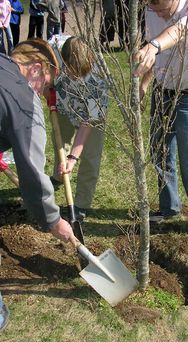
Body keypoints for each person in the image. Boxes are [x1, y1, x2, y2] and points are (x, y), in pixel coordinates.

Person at [134, 0, 188, 239]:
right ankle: (169, 208)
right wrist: (144, 85)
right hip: (162, 92)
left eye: (159, 5)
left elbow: (178, 31)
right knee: (160, 151)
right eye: (152, 5)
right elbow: (156, 57)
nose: (156, 11)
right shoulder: (151, 10)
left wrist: (154, 45)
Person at [0, 38, 77, 246]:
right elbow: (32, 171)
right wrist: (53, 220)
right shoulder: (24, 103)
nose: (42, 93)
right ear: (35, 69)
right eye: (45, 84)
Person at [48, 35, 108, 221]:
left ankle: (81, 202)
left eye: (79, 73)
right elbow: (45, 71)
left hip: (91, 115)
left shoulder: (98, 81)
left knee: (90, 155)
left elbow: (88, 123)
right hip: (64, 103)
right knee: (60, 140)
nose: (75, 76)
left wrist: (73, 158)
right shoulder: (55, 49)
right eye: (71, 71)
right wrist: (47, 87)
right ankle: (58, 177)